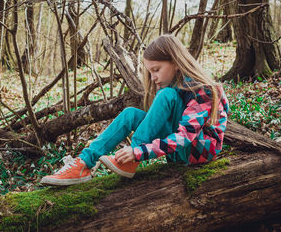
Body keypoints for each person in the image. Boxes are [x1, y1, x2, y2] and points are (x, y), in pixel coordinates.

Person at [40, 34, 229, 186]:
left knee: (166, 95)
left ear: (176, 62)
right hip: (180, 151)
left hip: (198, 152)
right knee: (131, 113)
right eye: (150, 72)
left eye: (156, 69)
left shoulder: (202, 88)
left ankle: (133, 159)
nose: (153, 77)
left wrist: (139, 152)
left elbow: (185, 137)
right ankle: (83, 164)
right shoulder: (175, 89)